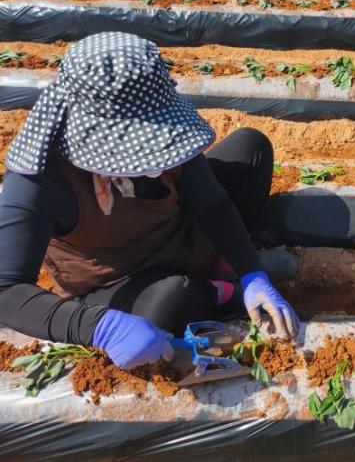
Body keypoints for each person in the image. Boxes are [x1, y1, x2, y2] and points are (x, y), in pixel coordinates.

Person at [0, 32, 299, 369]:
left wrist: (251, 271)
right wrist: (100, 327)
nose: (159, 164)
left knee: (250, 149)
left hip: (177, 234)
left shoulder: (158, 119)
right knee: (172, 300)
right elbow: (6, 291)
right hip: (122, 279)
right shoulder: (39, 180)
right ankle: (216, 291)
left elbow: (212, 203)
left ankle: (228, 273)